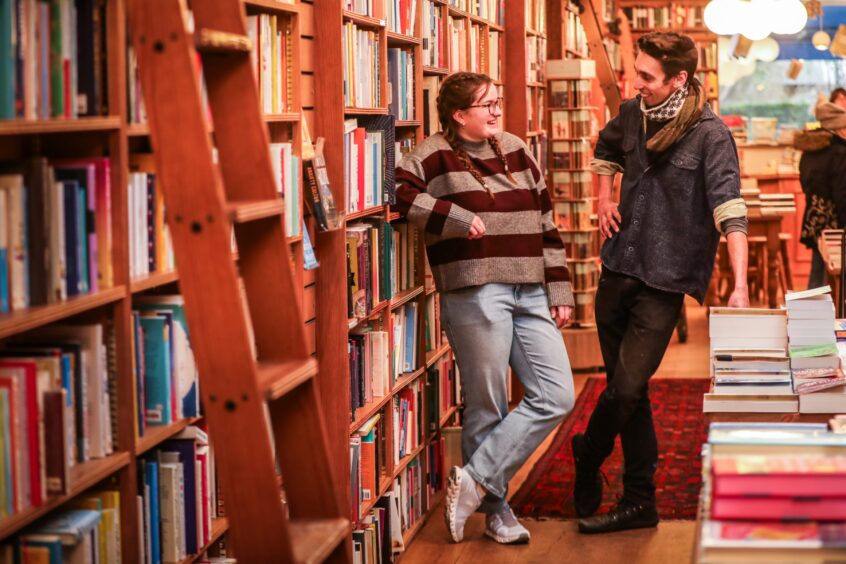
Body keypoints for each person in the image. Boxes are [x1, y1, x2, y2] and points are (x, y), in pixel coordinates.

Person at [573, 31, 750, 534]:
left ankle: (588, 453)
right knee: (632, 393)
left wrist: (737, 286)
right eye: (634, 71)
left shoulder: (711, 134)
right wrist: (603, 197)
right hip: (616, 269)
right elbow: (605, 149)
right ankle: (639, 501)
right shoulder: (632, 112)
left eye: (646, 77)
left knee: (626, 387)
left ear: (679, 79)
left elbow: (730, 210)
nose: (635, 83)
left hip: (665, 280)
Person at [393, 72, 576, 545]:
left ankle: (473, 480)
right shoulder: (433, 153)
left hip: (530, 288)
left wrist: (559, 291)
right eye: (486, 105)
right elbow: (401, 194)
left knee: (556, 396)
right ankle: (497, 513)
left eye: (498, 101)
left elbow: (545, 220)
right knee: (489, 404)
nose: (497, 111)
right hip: (475, 291)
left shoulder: (515, 147)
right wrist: (456, 217)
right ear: (459, 115)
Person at [797, 96, 846, 289]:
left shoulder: (809, 150)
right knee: (836, 274)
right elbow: (842, 193)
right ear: (838, 128)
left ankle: (811, 311)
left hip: (815, 216)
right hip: (836, 221)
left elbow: (804, 183)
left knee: (818, 270)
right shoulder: (840, 152)